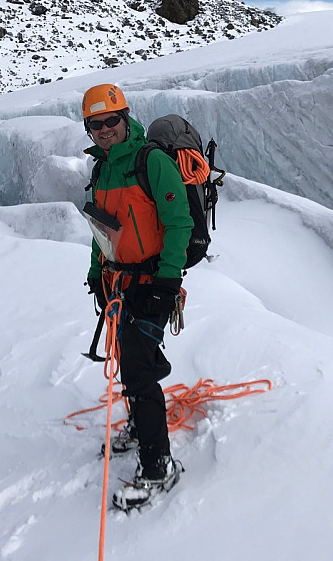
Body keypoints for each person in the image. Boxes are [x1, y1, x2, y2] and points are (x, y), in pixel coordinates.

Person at [82, 83, 192, 511]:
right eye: (96, 124)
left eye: (111, 120)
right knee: (129, 359)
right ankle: (141, 427)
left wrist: (166, 284)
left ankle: (158, 467)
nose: (105, 130)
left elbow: (178, 222)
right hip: (117, 283)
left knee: (139, 370)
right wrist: (96, 272)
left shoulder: (153, 162)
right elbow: (102, 229)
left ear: (125, 118)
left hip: (151, 283)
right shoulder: (102, 171)